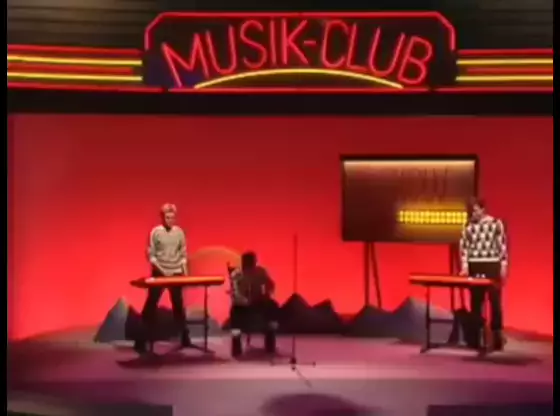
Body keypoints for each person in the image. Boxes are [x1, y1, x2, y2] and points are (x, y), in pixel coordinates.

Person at [134, 203, 192, 354]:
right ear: (162, 217)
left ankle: (185, 337)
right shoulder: (155, 232)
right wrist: (161, 270)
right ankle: (140, 340)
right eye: (167, 217)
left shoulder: (179, 232)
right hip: (160, 272)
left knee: (178, 305)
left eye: (172, 217)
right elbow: (151, 255)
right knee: (151, 305)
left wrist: (184, 271)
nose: (170, 220)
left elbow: (183, 253)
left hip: (176, 272)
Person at [459, 198, 508, 351]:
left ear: (482, 209)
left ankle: (496, 334)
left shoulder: (495, 224)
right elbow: (464, 248)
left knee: (495, 301)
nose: (472, 214)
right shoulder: (467, 226)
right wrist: (465, 266)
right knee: (476, 301)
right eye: (470, 211)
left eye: (475, 210)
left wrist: (503, 265)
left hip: (492, 264)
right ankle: (477, 335)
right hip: (475, 264)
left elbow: (502, 245)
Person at [228, 251, 279, 358]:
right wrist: (244, 300)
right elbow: (235, 292)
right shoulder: (236, 275)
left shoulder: (260, 272)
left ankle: (270, 336)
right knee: (235, 311)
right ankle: (236, 345)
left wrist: (266, 293)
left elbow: (270, 284)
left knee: (273, 305)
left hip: (259, 302)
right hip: (242, 306)